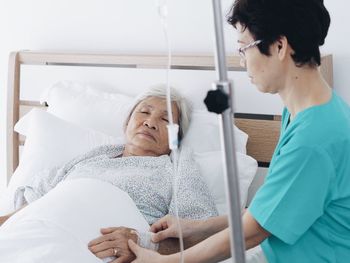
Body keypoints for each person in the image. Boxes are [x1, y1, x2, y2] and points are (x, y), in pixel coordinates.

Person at [127, 0, 350, 262]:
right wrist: (195, 227)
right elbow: (269, 210)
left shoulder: (314, 139)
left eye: (244, 48)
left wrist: (165, 262)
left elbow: (252, 231)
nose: (242, 62)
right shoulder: (307, 111)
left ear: (279, 46)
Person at [0, 85, 218, 262]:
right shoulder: (92, 158)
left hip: (92, 247)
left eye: (165, 120)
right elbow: (40, 203)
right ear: (126, 123)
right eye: (144, 112)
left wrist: (141, 243)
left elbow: (199, 235)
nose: (150, 122)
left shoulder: (176, 170)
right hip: (33, 230)